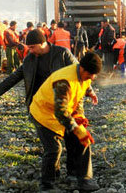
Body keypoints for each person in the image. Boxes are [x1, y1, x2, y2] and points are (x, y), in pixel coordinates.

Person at [30, 52, 101, 192]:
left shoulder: (85, 76)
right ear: (82, 68)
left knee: (82, 140)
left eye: (95, 75)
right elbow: (60, 112)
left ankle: (83, 178)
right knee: (54, 149)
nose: (92, 78)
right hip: (43, 114)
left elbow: (82, 89)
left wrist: (80, 114)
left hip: (64, 112)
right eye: (90, 74)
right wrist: (76, 128)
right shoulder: (64, 81)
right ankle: (47, 184)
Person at [0, 29, 77, 109]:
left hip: (61, 100)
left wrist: (89, 91)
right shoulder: (29, 59)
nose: (30, 50)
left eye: (32, 47)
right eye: (29, 48)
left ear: (42, 43)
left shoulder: (62, 53)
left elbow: (79, 70)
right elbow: (16, 76)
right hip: (39, 103)